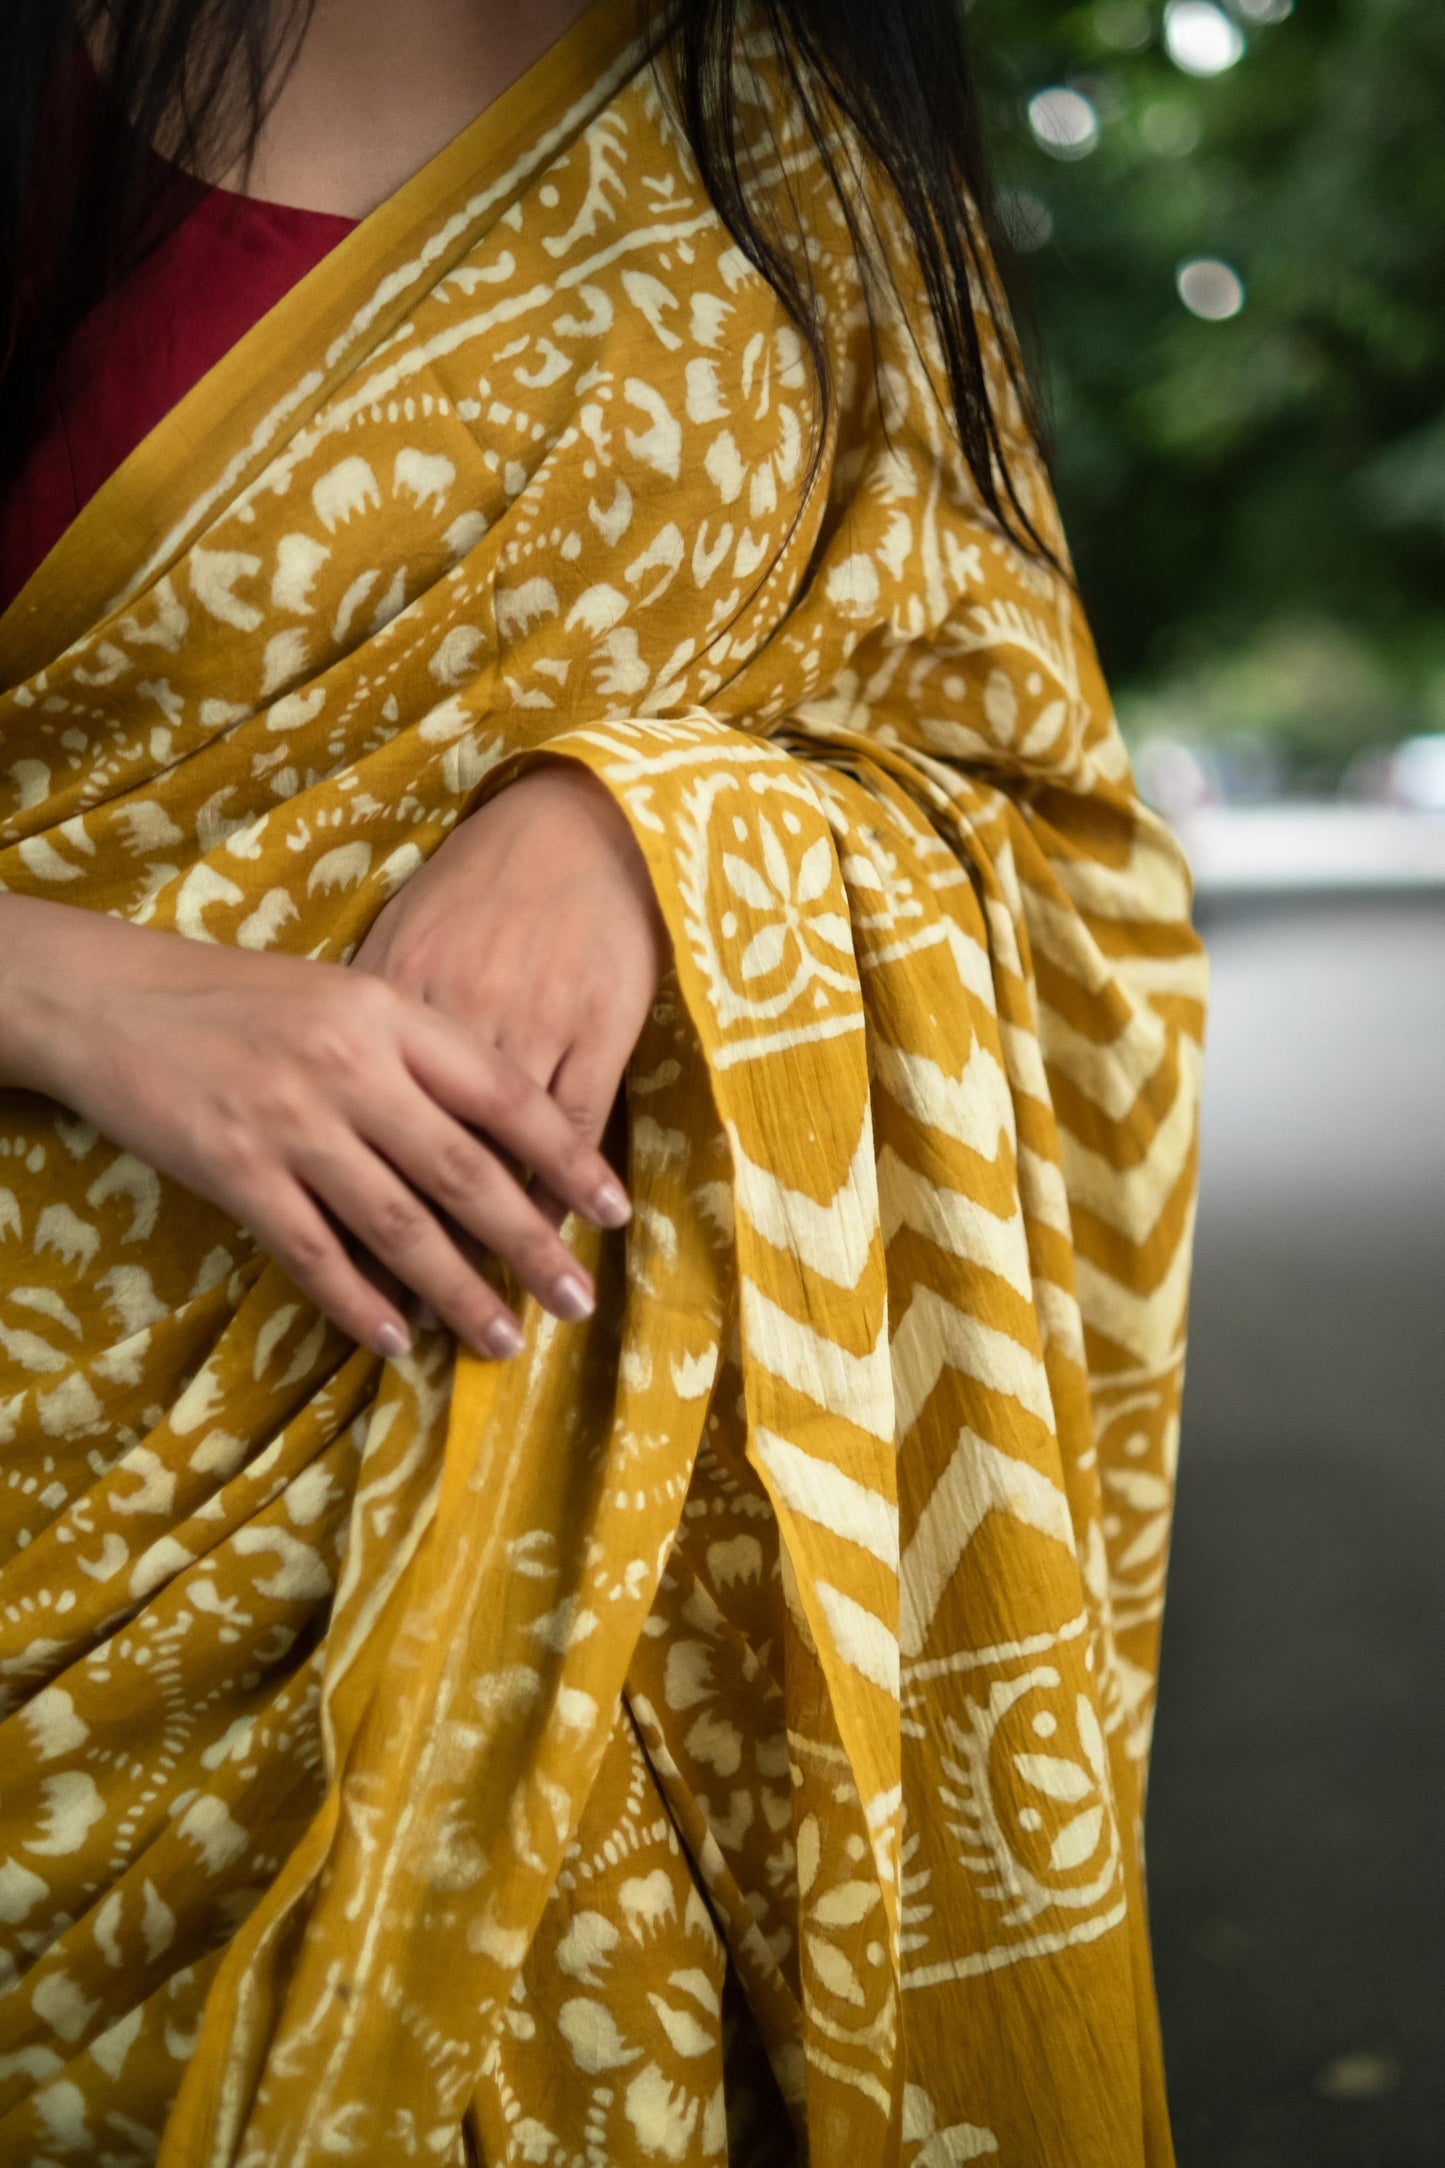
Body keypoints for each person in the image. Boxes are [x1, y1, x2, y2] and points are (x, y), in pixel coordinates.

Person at [0, 2, 1207, 2161]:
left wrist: (654, 828)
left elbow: (1062, 848)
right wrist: (79, 991)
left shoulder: (804, 164)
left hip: (619, 1574)